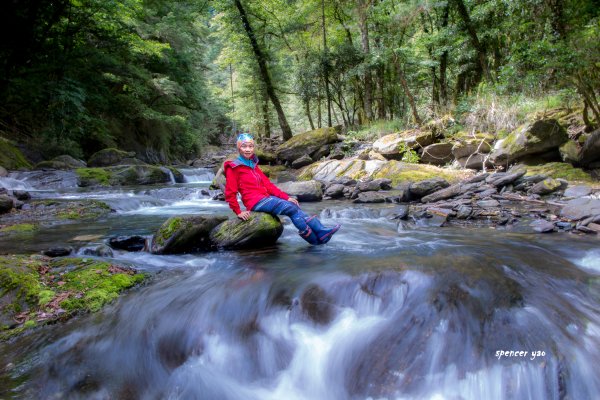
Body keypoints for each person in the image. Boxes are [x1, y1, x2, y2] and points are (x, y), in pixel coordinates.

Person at [224, 133, 340, 245]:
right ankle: (319, 234)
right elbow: (230, 192)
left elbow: (269, 186)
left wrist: (287, 197)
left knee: (293, 205)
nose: (248, 149)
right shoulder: (234, 167)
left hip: (265, 198)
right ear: (239, 148)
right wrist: (238, 211)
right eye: (244, 146)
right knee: (291, 208)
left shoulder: (253, 166)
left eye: (250, 146)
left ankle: (318, 238)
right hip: (254, 202)